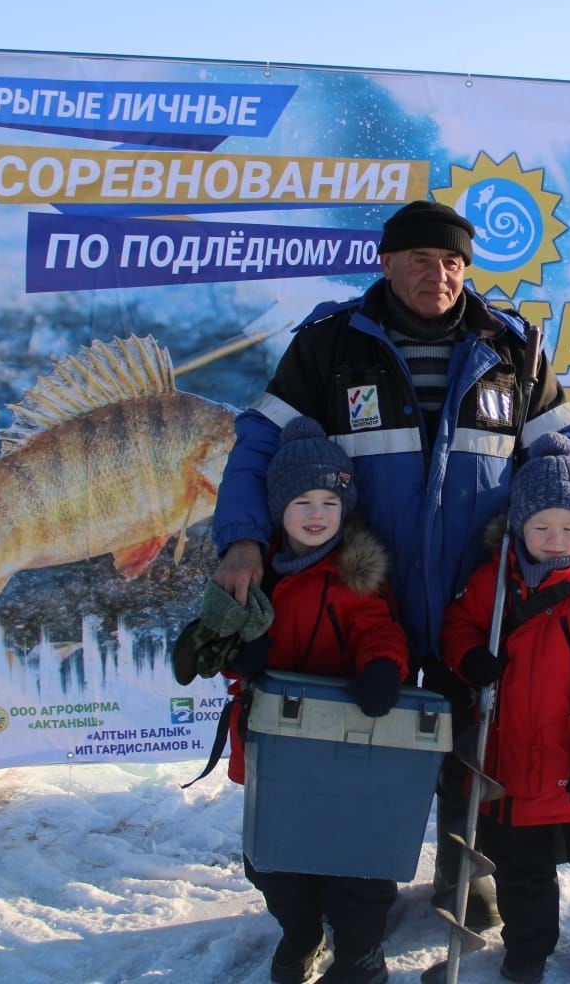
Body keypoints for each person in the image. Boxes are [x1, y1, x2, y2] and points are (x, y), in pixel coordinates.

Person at [210, 200, 570, 932]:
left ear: (466, 269)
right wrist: (243, 537)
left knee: (477, 740)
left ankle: (465, 874)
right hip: (364, 598)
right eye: (419, 260)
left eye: (451, 263)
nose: (436, 275)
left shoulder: (513, 349)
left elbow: (567, 453)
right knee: (352, 744)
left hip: (480, 597)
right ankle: (342, 894)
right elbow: (256, 446)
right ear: (386, 262)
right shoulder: (329, 346)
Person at [441, 433, 570, 983]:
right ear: (518, 526)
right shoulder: (493, 584)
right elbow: (458, 626)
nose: (555, 540)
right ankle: (528, 947)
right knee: (520, 870)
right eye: (541, 527)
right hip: (510, 769)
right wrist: (467, 657)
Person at [223, 416, 411, 984]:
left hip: (346, 742)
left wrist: (382, 667)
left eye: (329, 500)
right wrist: (241, 653)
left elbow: (378, 628)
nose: (316, 513)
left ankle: (360, 949)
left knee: (356, 855)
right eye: (302, 500)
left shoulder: (357, 574)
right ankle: (300, 931)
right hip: (276, 745)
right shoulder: (259, 575)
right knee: (273, 856)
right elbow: (220, 642)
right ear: (279, 508)